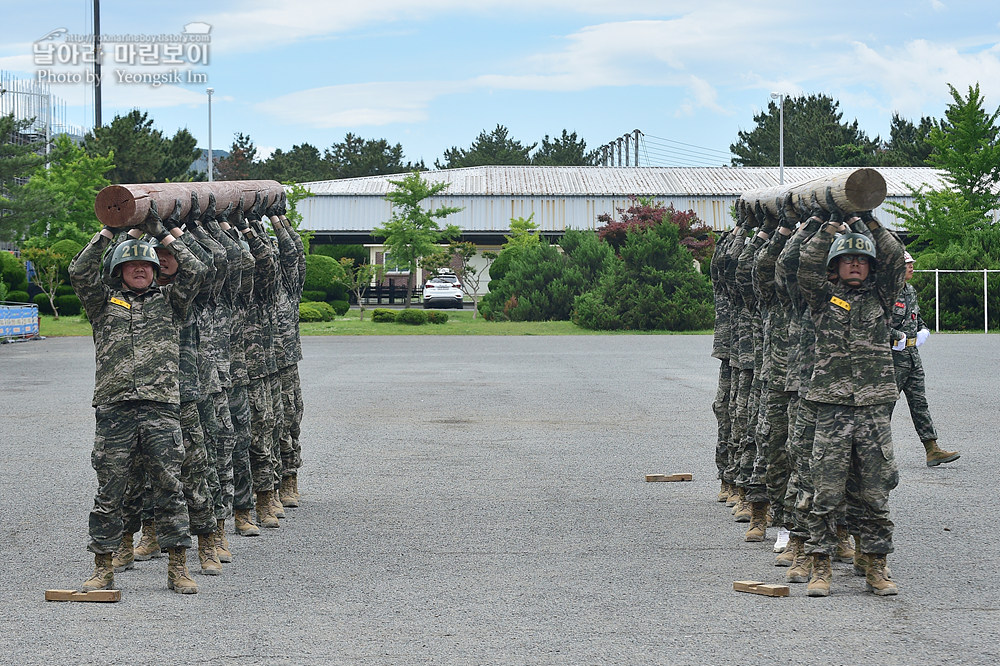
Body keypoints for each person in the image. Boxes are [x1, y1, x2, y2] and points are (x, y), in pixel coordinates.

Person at [70, 202, 207, 594]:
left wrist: (162, 234)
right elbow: (79, 271)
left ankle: (178, 567)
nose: (141, 270)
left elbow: (197, 269)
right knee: (110, 490)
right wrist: (111, 231)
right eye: (132, 266)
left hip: (161, 408)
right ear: (119, 271)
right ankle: (103, 567)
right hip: (115, 410)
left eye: (147, 265)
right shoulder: (102, 305)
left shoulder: (170, 303)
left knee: (170, 486)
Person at [797, 199, 906, 597]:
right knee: (825, 490)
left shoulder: (881, 297)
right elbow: (805, 266)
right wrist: (829, 225)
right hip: (833, 408)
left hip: (874, 408)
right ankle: (820, 566)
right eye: (848, 259)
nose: (856, 264)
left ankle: (876, 564)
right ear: (836, 267)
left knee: (875, 492)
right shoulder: (822, 300)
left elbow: (894, 256)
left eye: (862, 259)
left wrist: (867, 221)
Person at [889, 252, 959, 467]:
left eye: (911, 264)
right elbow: (875, 323)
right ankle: (869, 453)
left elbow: (916, 318)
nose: (912, 268)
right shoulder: (887, 293)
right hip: (891, 359)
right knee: (883, 408)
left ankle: (932, 449)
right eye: (908, 264)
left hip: (912, 358)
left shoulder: (910, 291)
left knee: (920, 404)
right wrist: (895, 336)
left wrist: (923, 330)